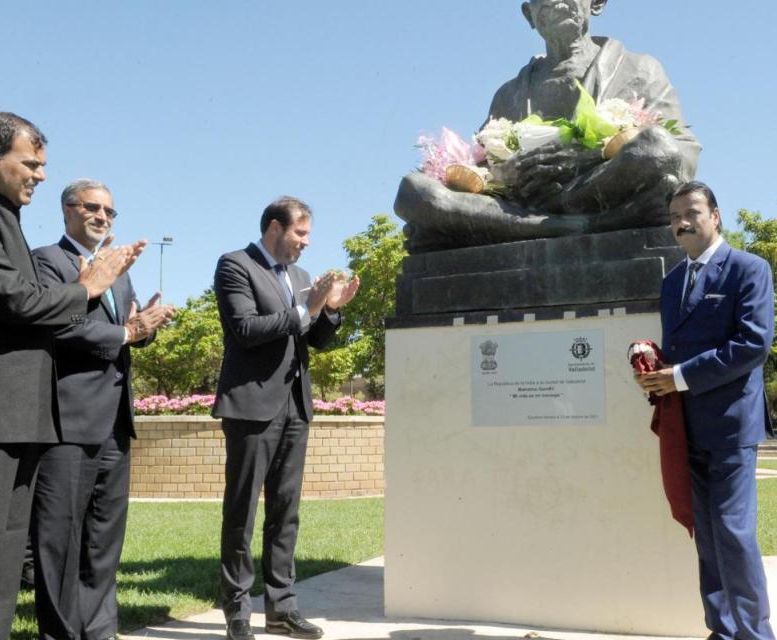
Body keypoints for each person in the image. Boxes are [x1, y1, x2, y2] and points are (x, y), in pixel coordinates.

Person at [0, 113, 142, 640]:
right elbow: (13, 300)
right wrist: (87, 288)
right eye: (31, 163)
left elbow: (32, 307)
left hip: (17, 416)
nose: (41, 176)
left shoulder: (2, 215)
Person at [395, 0, 701, 251]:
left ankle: (560, 223)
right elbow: (482, 174)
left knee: (657, 146)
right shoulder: (508, 94)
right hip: (524, 205)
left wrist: (585, 158)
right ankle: (575, 228)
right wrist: (504, 173)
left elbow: (681, 155)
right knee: (414, 190)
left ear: (597, 3)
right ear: (529, 14)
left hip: (600, 191)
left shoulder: (638, 69)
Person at [30, 179, 175, 640]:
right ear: (67, 211)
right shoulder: (46, 262)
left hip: (115, 423)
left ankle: (99, 630)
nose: (103, 217)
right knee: (60, 538)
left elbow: (122, 330)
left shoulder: (119, 271)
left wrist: (143, 326)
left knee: (104, 539)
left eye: (110, 212)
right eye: (93, 208)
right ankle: (61, 632)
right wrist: (127, 333)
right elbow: (61, 325)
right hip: (68, 422)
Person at [213, 197, 359, 640]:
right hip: (251, 408)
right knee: (241, 513)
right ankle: (238, 611)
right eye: (301, 233)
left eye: (308, 235)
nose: (306, 243)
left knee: (286, 513)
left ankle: (281, 609)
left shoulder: (299, 278)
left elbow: (318, 341)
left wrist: (331, 310)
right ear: (275, 228)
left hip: (296, 408)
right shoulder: (235, 265)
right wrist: (306, 310)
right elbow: (244, 329)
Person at [636, 182, 774, 640]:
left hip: (732, 427)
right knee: (709, 539)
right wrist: (652, 365)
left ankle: (755, 635)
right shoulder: (672, 281)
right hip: (685, 429)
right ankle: (722, 629)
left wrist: (678, 376)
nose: (682, 221)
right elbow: (677, 350)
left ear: (715, 216)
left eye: (692, 211)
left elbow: (753, 345)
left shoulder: (749, 269)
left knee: (734, 535)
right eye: (675, 214)